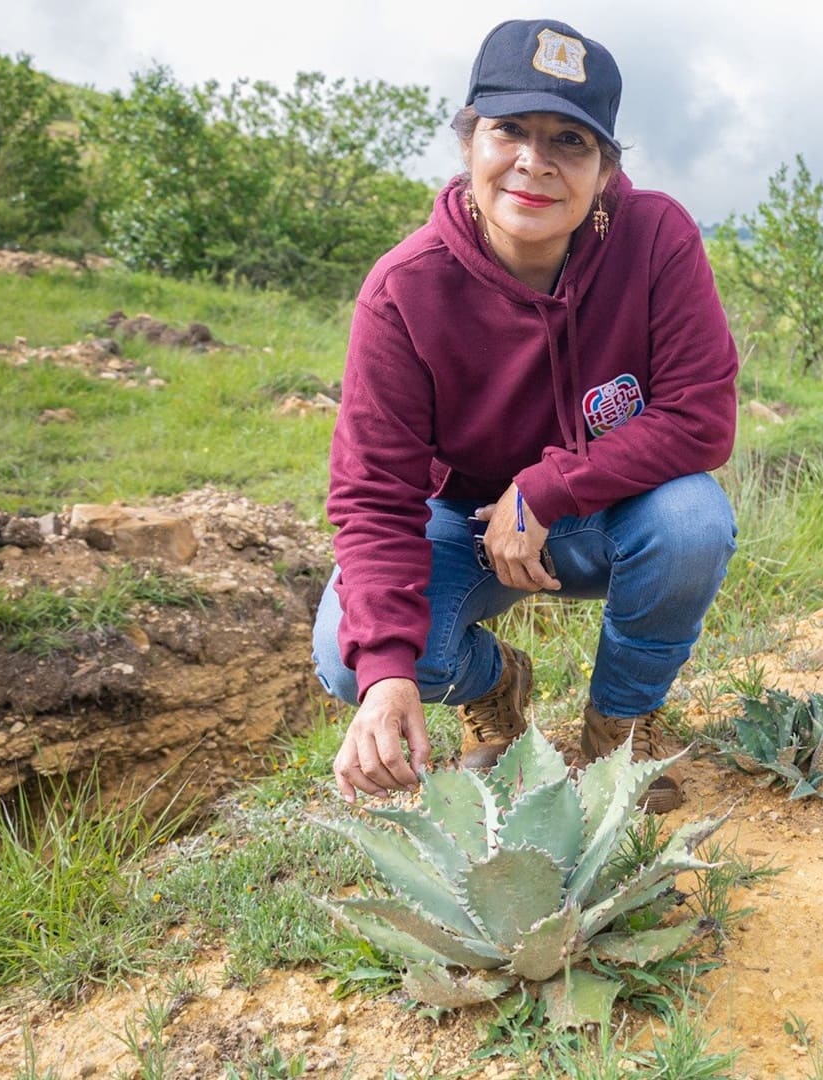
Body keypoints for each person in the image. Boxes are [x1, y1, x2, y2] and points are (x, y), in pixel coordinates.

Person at [312, 18, 739, 811]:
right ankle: (497, 686)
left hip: (606, 516)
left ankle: (618, 732)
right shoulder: (406, 289)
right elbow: (375, 494)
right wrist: (388, 680)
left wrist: (547, 489)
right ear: (471, 140)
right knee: (353, 662)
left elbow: (701, 417)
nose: (534, 163)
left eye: (570, 142)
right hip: (463, 523)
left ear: (607, 169)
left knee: (692, 524)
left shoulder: (656, 240)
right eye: (510, 130)